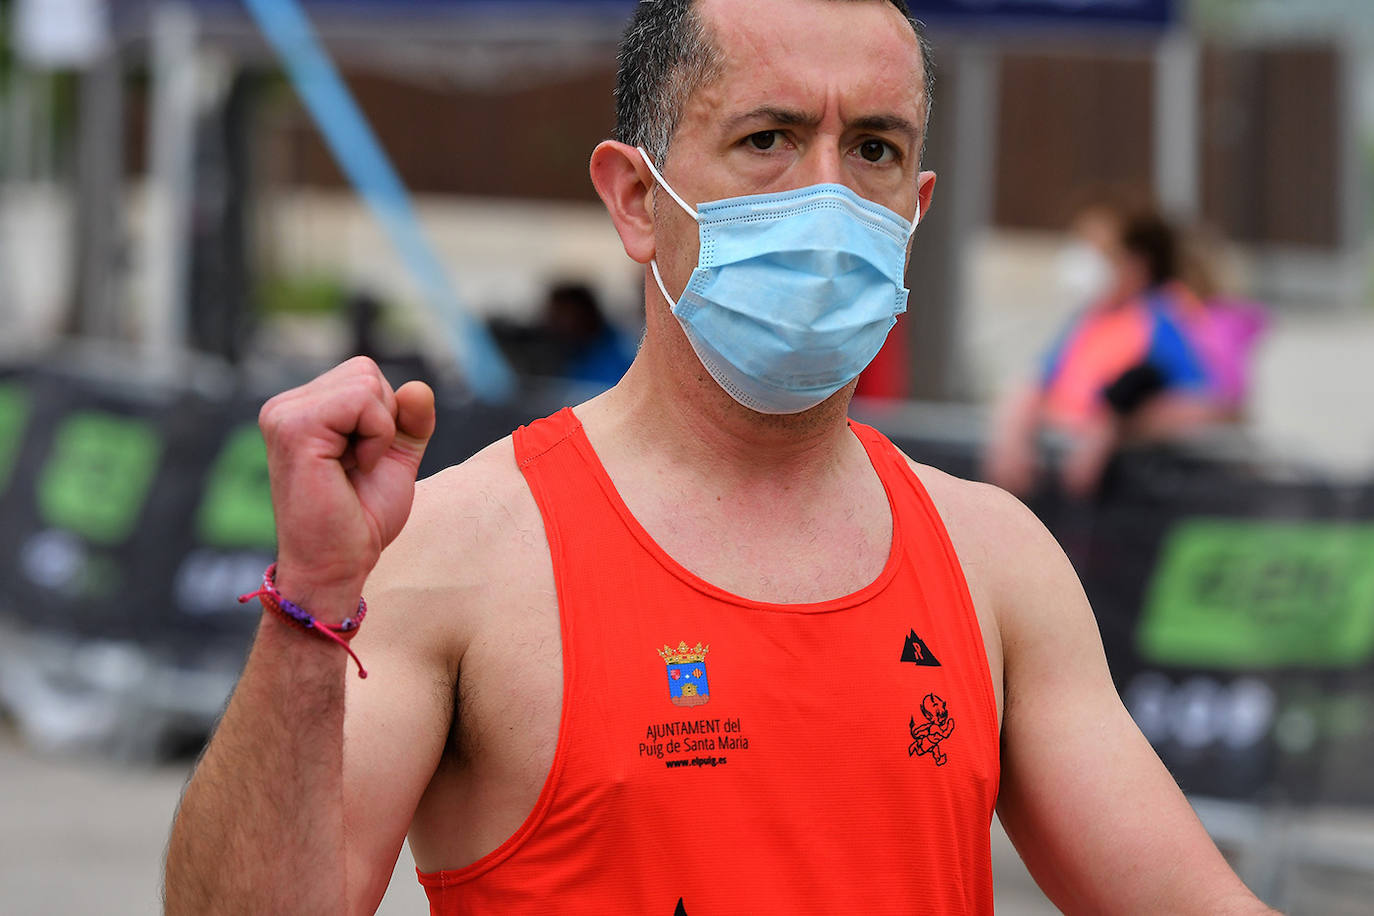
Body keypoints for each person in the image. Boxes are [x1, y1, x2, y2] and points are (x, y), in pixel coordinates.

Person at [164, 1, 1278, 913]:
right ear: (638, 198)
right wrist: (310, 607)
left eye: (875, 149)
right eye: (769, 138)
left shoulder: (993, 560)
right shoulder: (464, 550)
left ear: (918, 205)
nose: (828, 195)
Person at [985, 205, 1245, 498]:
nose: (1085, 263)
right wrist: (1012, 435)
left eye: (1101, 251)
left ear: (1138, 264)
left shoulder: (1163, 319)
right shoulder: (1091, 320)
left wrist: (1113, 427)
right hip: (1073, 495)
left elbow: (1211, 406)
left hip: (1139, 496)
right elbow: (1037, 381)